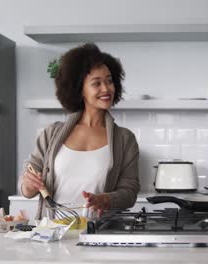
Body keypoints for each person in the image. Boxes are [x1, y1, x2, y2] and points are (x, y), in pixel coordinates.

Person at [19, 43, 140, 219]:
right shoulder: (51, 134)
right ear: (79, 88)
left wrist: (106, 199)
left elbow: (129, 192)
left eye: (109, 80)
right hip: (53, 236)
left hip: (99, 236)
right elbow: (27, 187)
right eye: (96, 83)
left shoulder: (124, 139)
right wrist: (28, 185)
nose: (106, 89)